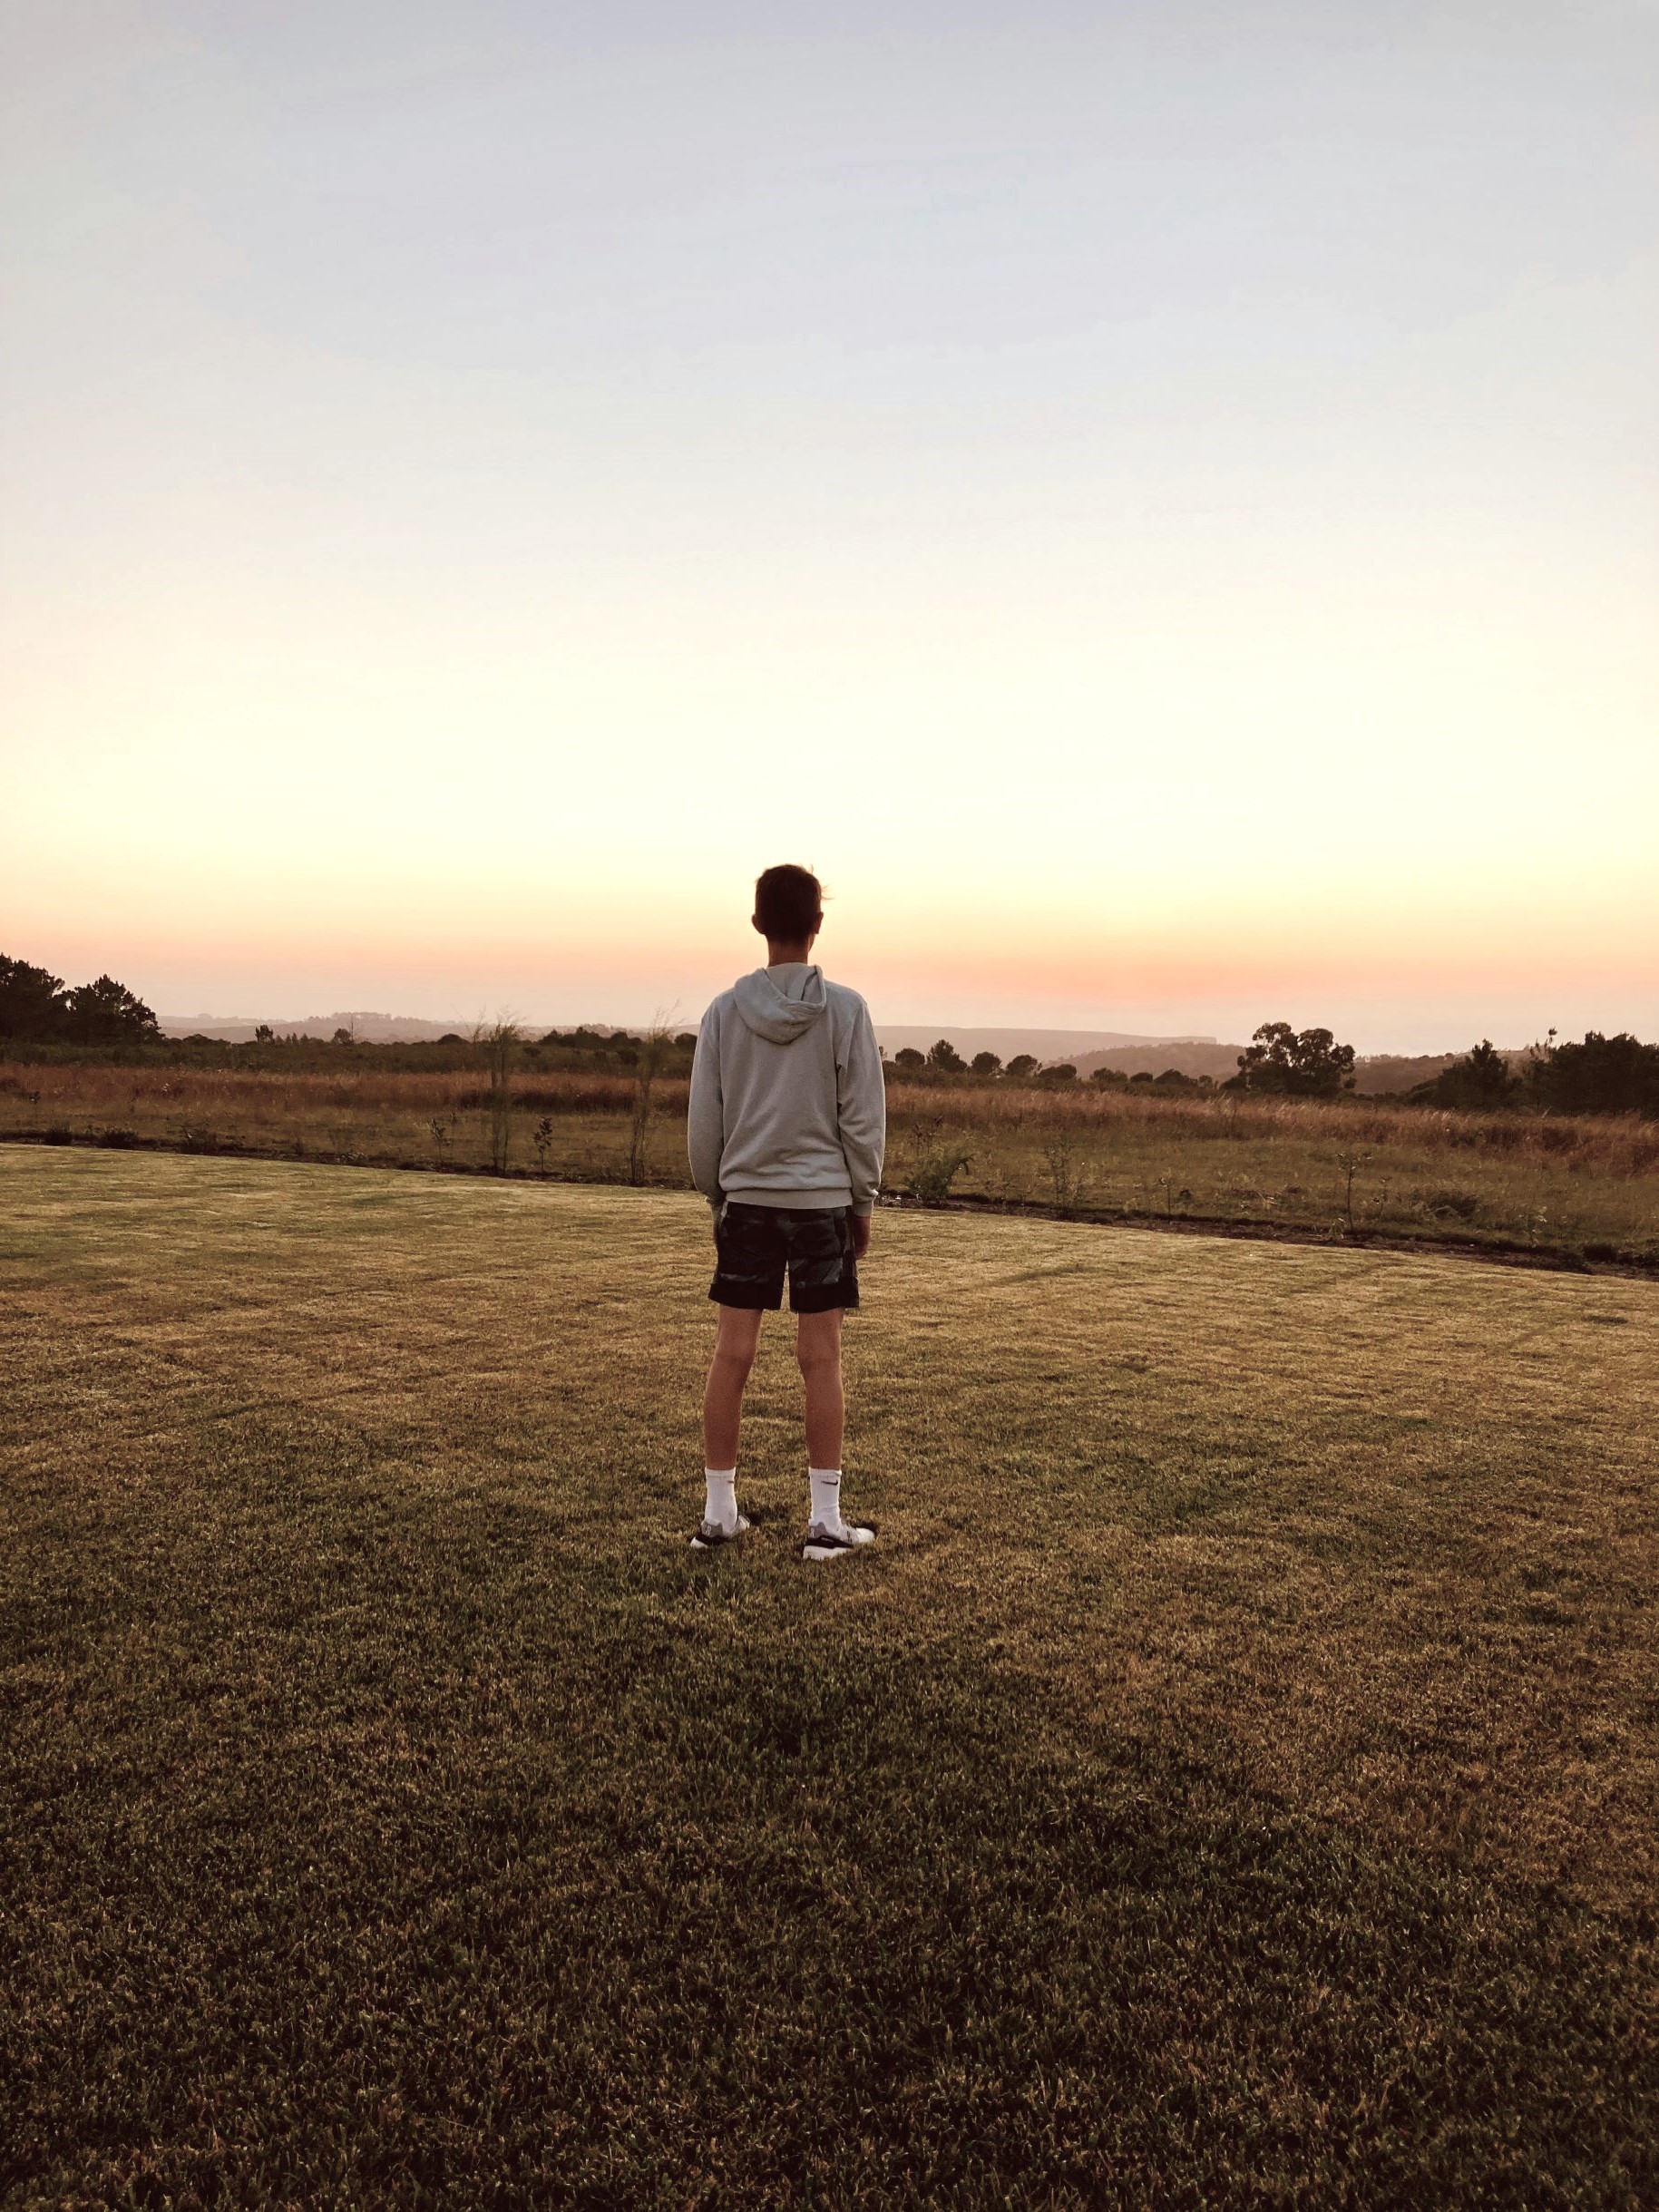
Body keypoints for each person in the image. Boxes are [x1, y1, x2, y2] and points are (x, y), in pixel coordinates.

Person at [687, 863, 886, 1562]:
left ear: (756, 923)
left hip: (746, 1200)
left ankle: (718, 1515)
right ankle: (824, 1523)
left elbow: (704, 1125)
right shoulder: (847, 1011)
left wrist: (718, 1195)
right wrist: (861, 1201)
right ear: (816, 925)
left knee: (730, 1353)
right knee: (820, 1357)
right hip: (821, 1203)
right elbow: (862, 1121)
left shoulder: (721, 1012)